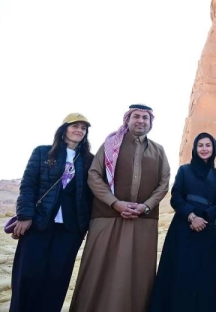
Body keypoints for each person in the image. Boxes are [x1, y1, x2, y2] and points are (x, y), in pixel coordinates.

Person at [70, 104, 170, 312]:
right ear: (127, 120)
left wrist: (146, 206)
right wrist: (115, 203)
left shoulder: (158, 150)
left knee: (137, 273)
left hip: (143, 222)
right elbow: (94, 175)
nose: (140, 121)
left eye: (145, 118)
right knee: (100, 269)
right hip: (107, 217)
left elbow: (164, 182)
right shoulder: (110, 145)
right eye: (136, 117)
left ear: (151, 123)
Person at [8, 113, 94, 312]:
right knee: (27, 276)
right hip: (38, 222)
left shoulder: (89, 160)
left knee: (57, 278)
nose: (79, 130)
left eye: (83, 128)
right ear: (64, 129)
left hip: (70, 229)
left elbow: (92, 194)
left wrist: (85, 226)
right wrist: (25, 215)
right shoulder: (42, 152)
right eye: (75, 126)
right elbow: (28, 185)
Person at [149, 132, 216, 312]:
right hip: (183, 228)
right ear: (195, 148)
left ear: (213, 148)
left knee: (203, 275)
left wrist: (205, 218)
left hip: (206, 230)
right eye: (201, 145)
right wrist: (192, 217)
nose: (204, 149)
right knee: (179, 271)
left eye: (208, 145)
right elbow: (176, 197)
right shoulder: (184, 170)